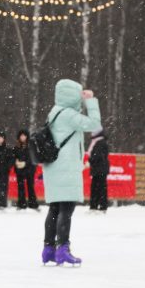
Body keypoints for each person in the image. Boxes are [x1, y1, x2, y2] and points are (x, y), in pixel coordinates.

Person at [42, 80, 101, 266]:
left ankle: (48, 248)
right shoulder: (69, 115)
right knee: (66, 209)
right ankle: (62, 249)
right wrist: (90, 101)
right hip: (66, 168)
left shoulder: (54, 112)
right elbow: (94, 125)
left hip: (53, 167)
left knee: (54, 209)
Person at [13, 129, 38, 210]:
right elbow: (13, 157)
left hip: (29, 170)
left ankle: (33, 204)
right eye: (21, 136)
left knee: (30, 187)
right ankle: (21, 204)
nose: (23, 137)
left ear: (27, 136)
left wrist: (25, 163)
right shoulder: (16, 147)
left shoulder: (31, 146)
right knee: (20, 187)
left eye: (24, 135)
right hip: (20, 170)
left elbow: (32, 158)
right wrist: (16, 162)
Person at [88, 128, 110, 213]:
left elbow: (97, 156)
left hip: (100, 169)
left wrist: (90, 161)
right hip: (99, 168)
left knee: (99, 188)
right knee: (97, 188)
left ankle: (100, 206)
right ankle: (96, 206)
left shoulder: (100, 142)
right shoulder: (99, 141)